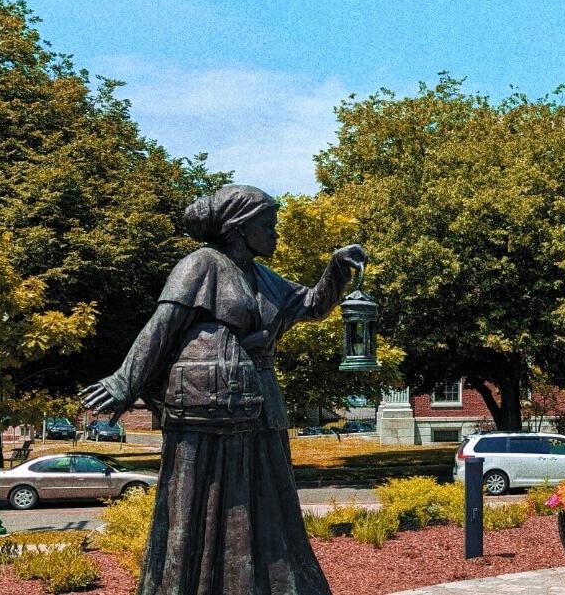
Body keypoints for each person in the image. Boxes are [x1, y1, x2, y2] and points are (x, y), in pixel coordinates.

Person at [82, 184, 364, 594]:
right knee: (200, 502)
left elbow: (312, 305)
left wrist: (336, 269)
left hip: (260, 408)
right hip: (208, 409)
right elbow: (161, 328)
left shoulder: (263, 277)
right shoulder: (200, 265)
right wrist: (123, 381)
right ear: (240, 228)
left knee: (266, 503)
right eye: (268, 225)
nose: (275, 233)